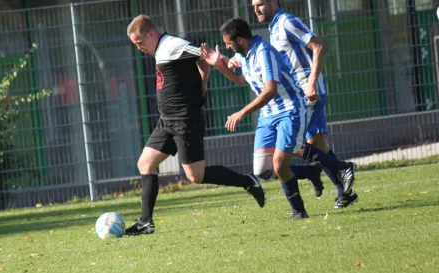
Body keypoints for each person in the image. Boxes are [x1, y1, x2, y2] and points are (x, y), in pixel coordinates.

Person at [124, 15, 265, 235]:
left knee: (195, 177)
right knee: (145, 164)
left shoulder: (172, 45)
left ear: (151, 34)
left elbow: (205, 55)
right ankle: (145, 223)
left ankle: (247, 181)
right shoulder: (161, 49)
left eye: (140, 42)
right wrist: (203, 77)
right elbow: (199, 62)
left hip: (185, 121)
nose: (139, 48)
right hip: (166, 121)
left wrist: (226, 62)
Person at [201, 18, 330, 219]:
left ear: (240, 40)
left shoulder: (263, 52)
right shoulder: (243, 54)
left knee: (279, 163)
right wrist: (218, 63)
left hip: (289, 109)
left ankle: (299, 210)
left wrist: (242, 112)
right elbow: (239, 80)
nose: (227, 47)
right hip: (269, 114)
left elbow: (270, 90)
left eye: (228, 43)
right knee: (263, 170)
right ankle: (311, 172)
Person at [252, 0, 358, 209]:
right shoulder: (274, 28)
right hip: (303, 93)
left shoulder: (286, 22)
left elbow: (319, 46)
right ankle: (343, 190)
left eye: (261, 4)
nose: (256, 9)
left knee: (292, 142)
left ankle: (340, 168)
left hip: (307, 93)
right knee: (316, 143)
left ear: (274, 2)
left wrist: (311, 83)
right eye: (254, 5)